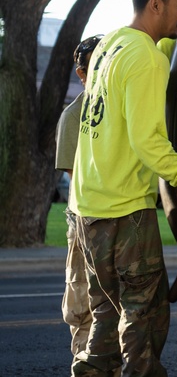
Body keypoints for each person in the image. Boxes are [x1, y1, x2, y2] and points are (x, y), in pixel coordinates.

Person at [69, 0, 177, 377]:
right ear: (155, 4)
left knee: (104, 318)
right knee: (144, 318)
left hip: (89, 206)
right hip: (125, 212)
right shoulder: (145, 59)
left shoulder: (111, 44)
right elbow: (149, 143)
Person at [55, 35, 105, 363]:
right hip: (87, 224)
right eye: (95, 68)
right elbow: (78, 181)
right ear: (81, 73)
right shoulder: (74, 117)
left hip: (120, 223)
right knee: (83, 310)